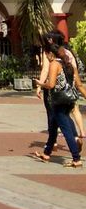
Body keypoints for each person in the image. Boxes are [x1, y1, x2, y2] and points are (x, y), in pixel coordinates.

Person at [33, 31, 86, 165]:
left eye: (47, 54)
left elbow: (50, 85)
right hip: (69, 99)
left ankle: (76, 158)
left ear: (51, 54)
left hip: (58, 100)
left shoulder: (54, 65)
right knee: (53, 126)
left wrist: (41, 84)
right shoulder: (69, 65)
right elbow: (79, 85)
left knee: (65, 129)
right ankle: (46, 153)